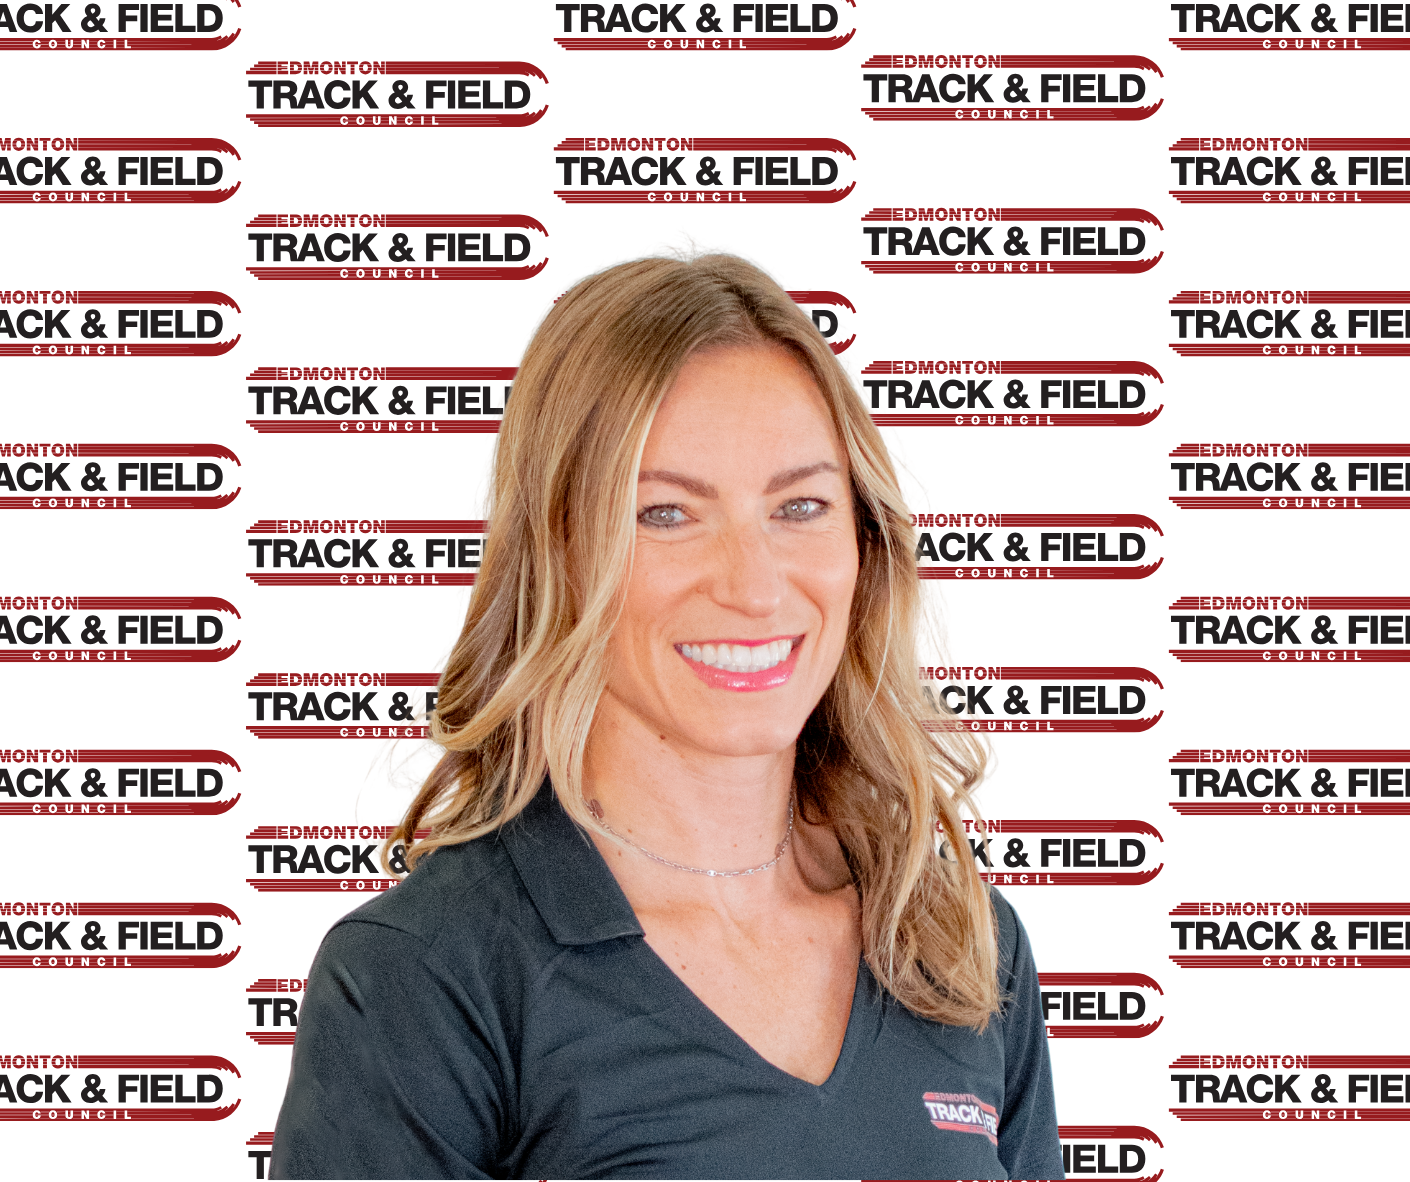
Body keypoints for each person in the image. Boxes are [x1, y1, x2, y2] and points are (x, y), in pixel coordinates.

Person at [271, 254, 1063, 1180]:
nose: (755, 587)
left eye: (800, 506)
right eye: (666, 515)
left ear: (863, 538)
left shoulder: (956, 945)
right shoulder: (428, 975)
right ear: (562, 551)